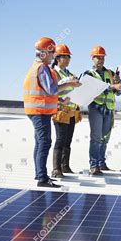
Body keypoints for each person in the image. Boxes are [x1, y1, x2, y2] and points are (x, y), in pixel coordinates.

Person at [23, 37, 80, 188]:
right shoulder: (42, 68)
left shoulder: (36, 67)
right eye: (51, 53)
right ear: (44, 53)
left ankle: (39, 173)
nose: (53, 56)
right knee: (44, 142)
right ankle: (42, 178)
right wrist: (70, 84)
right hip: (39, 111)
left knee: (39, 142)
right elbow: (52, 89)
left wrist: (59, 100)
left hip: (37, 110)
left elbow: (46, 92)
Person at [84, 46, 121, 176]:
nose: (101, 60)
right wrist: (112, 86)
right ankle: (93, 166)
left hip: (108, 109)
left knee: (105, 138)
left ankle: (101, 163)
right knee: (96, 138)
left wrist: (119, 86)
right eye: (98, 57)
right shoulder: (88, 74)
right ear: (92, 58)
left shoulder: (110, 73)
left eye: (102, 57)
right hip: (96, 108)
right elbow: (93, 89)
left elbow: (117, 93)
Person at [50, 44, 82, 178]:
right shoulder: (53, 73)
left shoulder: (70, 74)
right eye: (65, 56)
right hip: (60, 110)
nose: (68, 59)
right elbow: (53, 90)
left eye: (69, 57)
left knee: (68, 140)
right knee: (60, 139)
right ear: (57, 58)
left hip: (72, 111)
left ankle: (65, 166)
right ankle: (56, 169)